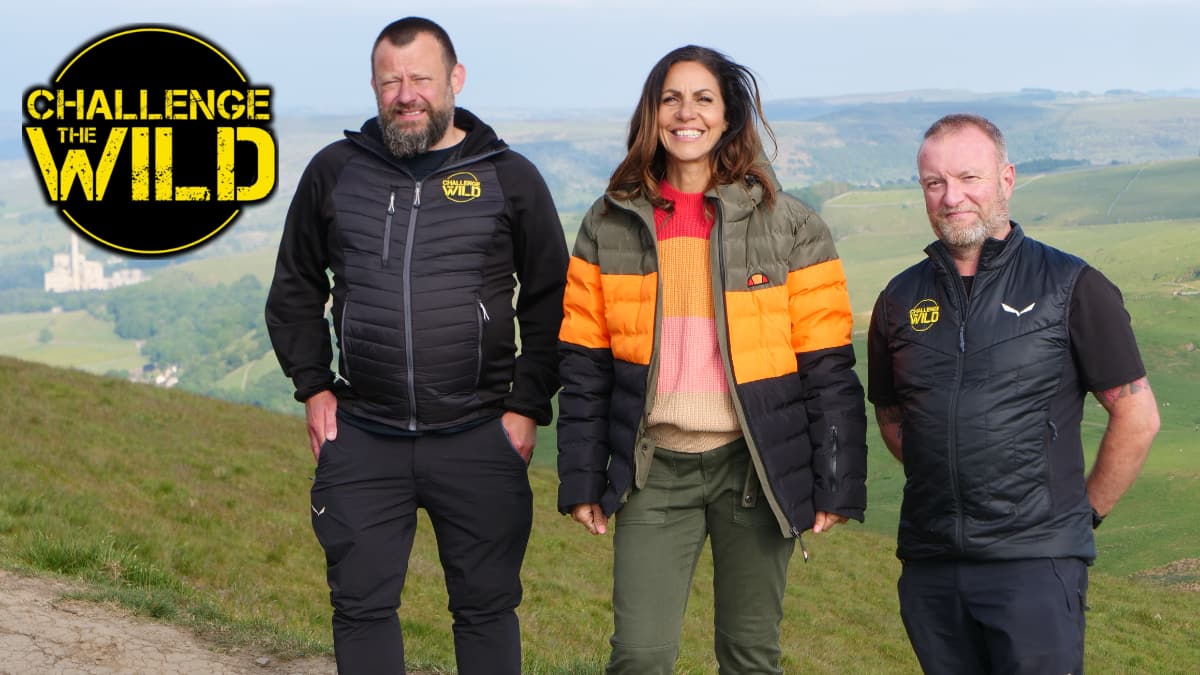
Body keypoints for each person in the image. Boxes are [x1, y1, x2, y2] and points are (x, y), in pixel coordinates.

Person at [264, 17, 568, 675]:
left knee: (486, 608)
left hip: (479, 432)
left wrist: (525, 406)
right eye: (390, 81)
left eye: (420, 78)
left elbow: (553, 301)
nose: (406, 94)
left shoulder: (509, 177)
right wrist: (314, 385)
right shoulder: (335, 172)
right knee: (361, 607)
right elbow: (294, 286)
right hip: (365, 434)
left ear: (455, 80)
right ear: (374, 88)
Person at [556, 45, 867, 674]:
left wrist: (836, 478)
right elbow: (585, 365)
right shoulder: (609, 223)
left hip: (751, 471)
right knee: (640, 655)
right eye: (671, 98)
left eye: (703, 99)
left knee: (750, 655)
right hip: (653, 472)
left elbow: (827, 364)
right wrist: (582, 476)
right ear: (652, 113)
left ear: (728, 117)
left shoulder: (791, 225)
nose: (686, 113)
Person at [867, 113, 1161, 674]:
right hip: (932, 565)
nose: (952, 197)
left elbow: (1137, 415)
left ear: (1006, 179)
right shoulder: (899, 298)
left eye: (969, 178)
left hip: (1035, 566)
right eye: (935, 183)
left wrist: (1081, 518)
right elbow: (892, 414)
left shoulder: (1071, 284)